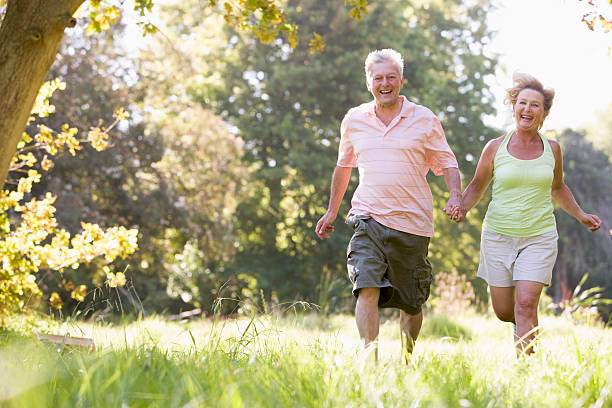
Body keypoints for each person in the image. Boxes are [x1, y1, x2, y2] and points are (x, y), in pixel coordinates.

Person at [315, 49, 462, 362]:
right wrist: (332, 211)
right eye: (378, 78)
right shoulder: (354, 119)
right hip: (367, 218)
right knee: (366, 285)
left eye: (390, 77)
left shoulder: (424, 118)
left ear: (401, 81)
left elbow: (448, 163)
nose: (385, 83)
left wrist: (455, 195)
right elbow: (343, 166)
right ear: (369, 82)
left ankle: (407, 359)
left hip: (412, 223)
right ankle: (371, 363)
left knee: (411, 303)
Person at [454, 72, 602, 355]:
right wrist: (461, 207)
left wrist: (581, 215)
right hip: (498, 235)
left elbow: (558, 188)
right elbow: (476, 186)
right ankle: (523, 325)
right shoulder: (495, 147)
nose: (528, 109)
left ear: (544, 113)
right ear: (514, 107)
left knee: (526, 304)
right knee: (503, 310)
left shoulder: (553, 150)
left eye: (535, 105)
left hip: (539, 236)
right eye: (522, 103)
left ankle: (527, 371)